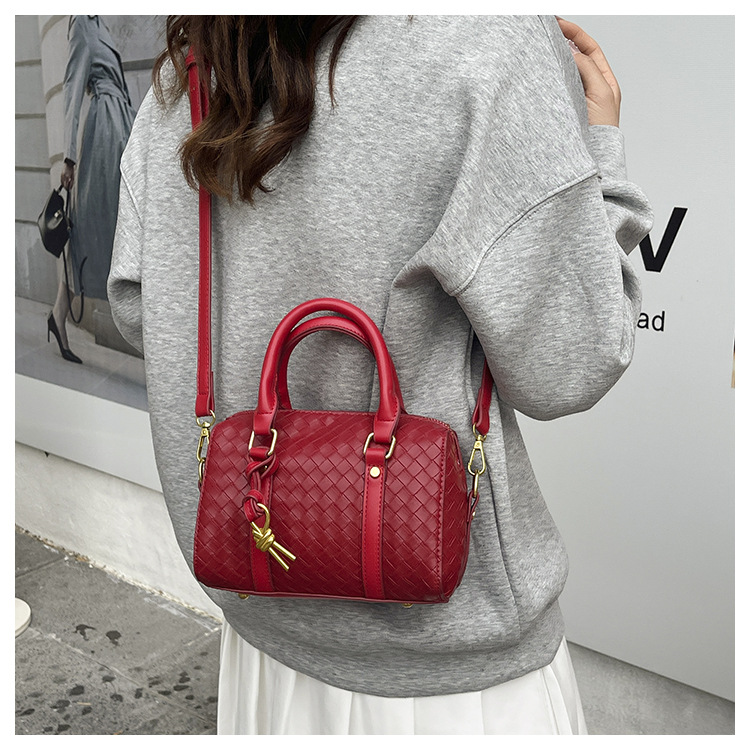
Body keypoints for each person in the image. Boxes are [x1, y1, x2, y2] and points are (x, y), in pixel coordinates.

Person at [108, 16, 652, 734]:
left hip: (262, 636)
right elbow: (570, 361)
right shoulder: (487, 40)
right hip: (451, 684)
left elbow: (140, 309)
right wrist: (600, 153)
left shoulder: (192, 73)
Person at [48, 15, 136, 363]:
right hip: (103, 129)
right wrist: (69, 157)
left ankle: (58, 313)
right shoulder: (82, 23)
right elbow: (72, 89)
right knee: (93, 225)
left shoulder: (101, 25)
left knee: (120, 224)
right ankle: (60, 314)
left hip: (122, 124)